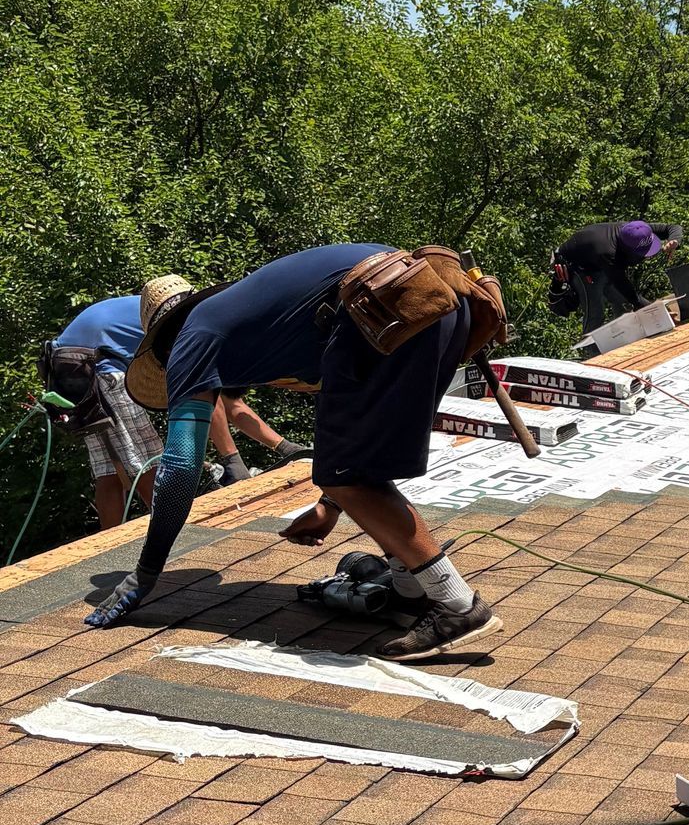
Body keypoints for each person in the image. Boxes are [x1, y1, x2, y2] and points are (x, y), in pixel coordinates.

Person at [86, 247, 499, 658]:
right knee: (356, 470)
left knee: (347, 476)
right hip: (434, 300)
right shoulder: (256, 316)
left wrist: (146, 573)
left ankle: (457, 605)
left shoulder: (192, 341)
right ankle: (409, 589)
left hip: (384, 305)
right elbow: (355, 439)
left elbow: (179, 468)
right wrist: (330, 505)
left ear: (162, 344)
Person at [43, 285, 295, 528]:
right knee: (147, 458)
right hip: (100, 368)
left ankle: (105, 544)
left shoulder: (181, 315)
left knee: (109, 467)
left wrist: (285, 447)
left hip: (70, 368)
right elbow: (209, 397)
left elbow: (233, 404)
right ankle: (171, 530)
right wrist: (233, 462)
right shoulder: (192, 328)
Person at [550, 219, 682, 333]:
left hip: (599, 263)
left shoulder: (638, 230)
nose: (647, 256)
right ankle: (591, 353)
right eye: (643, 253)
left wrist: (674, 240)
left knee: (623, 303)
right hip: (578, 267)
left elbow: (672, 227)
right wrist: (657, 312)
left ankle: (625, 336)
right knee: (595, 312)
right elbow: (628, 291)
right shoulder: (608, 253)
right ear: (626, 249)